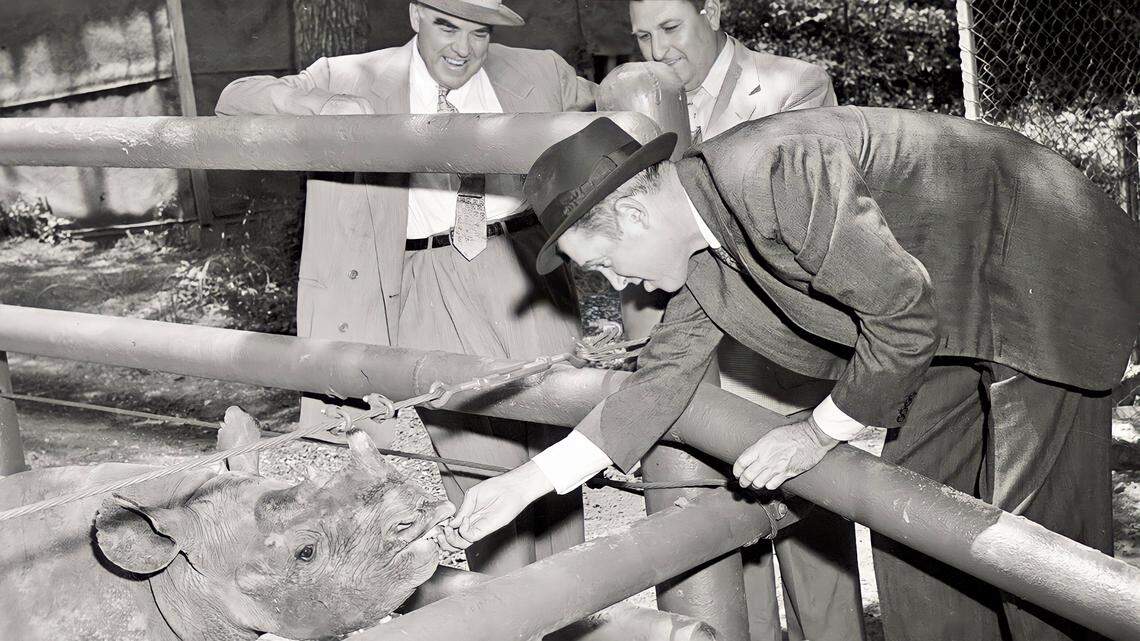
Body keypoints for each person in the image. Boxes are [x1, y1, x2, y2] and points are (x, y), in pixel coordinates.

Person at [444, 112, 1140, 641]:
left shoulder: (774, 170)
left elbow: (900, 312)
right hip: (949, 322)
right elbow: (658, 382)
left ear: (632, 212)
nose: (613, 283)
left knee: (1028, 550)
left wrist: (814, 433)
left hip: (1041, 270)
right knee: (915, 530)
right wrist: (525, 483)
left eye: (600, 262)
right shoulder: (703, 248)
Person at [215, 0, 596, 575]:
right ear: (416, 13)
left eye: (480, 32)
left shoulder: (537, 69)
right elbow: (234, 98)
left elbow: (615, 102)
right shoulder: (352, 76)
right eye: (447, 25)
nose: (463, 49)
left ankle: (574, 602)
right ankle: (506, 601)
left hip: (527, 269)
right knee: (475, 459)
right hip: (424, 278)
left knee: (555, 448)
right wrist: (322, 107)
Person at [629, 2, 860, 640]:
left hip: (780, 353)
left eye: (670, 28)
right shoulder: (634, 104)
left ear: (712, 9)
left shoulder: (794, 87)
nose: (658, 51)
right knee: (722, 550)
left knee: (814, 544)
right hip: (688, 355)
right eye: (642, 36)